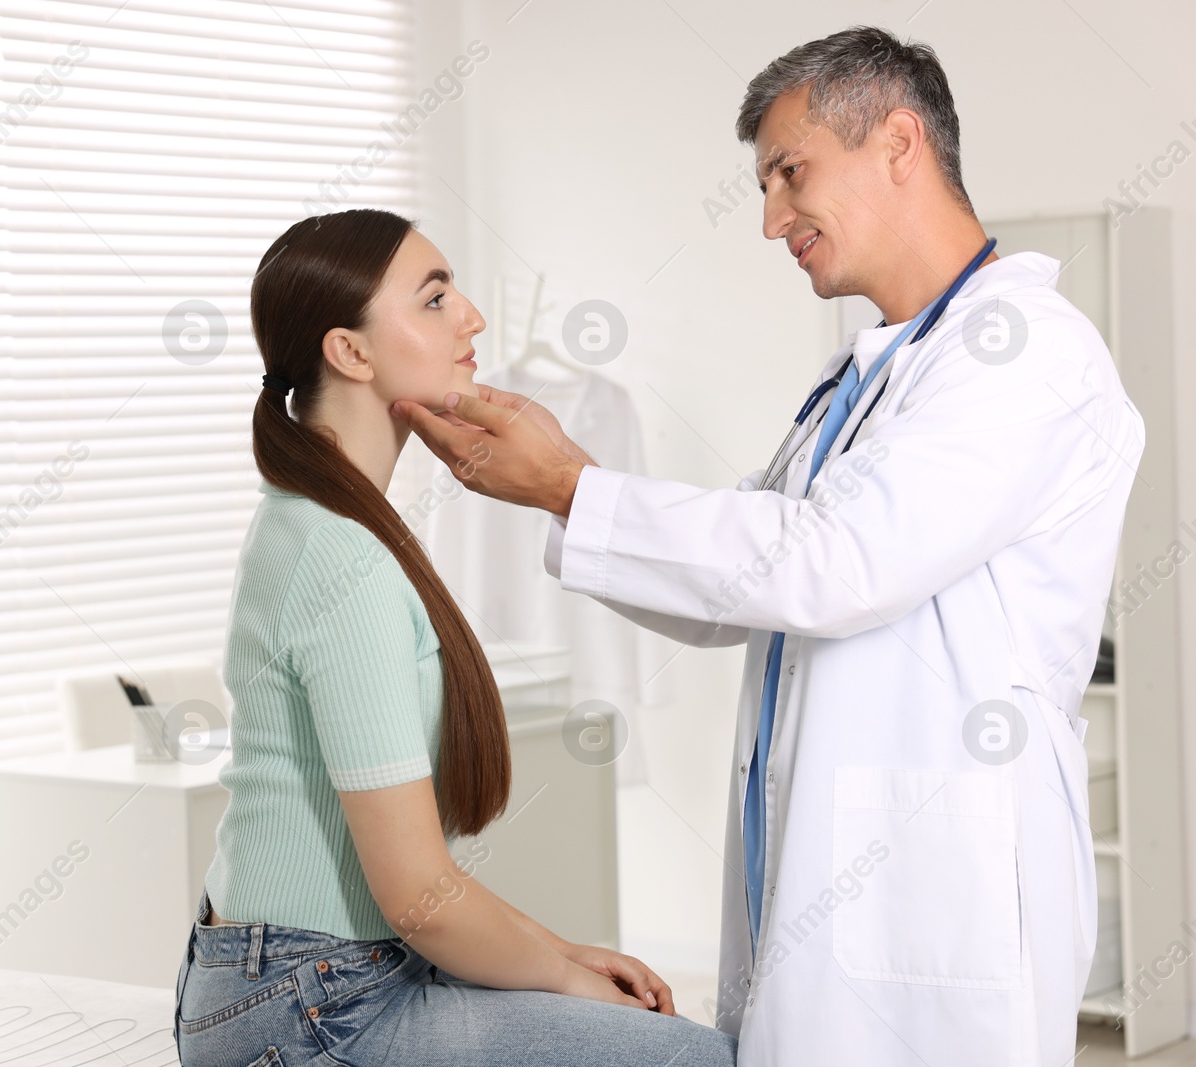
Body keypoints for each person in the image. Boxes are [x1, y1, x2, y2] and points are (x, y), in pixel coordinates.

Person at [393, 26, 1142, 1067]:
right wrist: (559, 499)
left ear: (896, 141)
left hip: (939, 886)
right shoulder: (862, 376)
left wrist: (574, 480)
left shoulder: (1024, 352)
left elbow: (836, 564)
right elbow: (742, 588)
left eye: (789, 175)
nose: (768, 219)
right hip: (829, 881)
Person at [172, 208, 737, 1067]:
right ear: (350, 353)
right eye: (434, 298)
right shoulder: (341, 554)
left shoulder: (312, 520)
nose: (471, 316)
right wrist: (567, 978)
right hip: (309, 1004)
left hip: (288, 979)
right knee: (696, 1059)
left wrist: (564, 955)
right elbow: (421, 899)